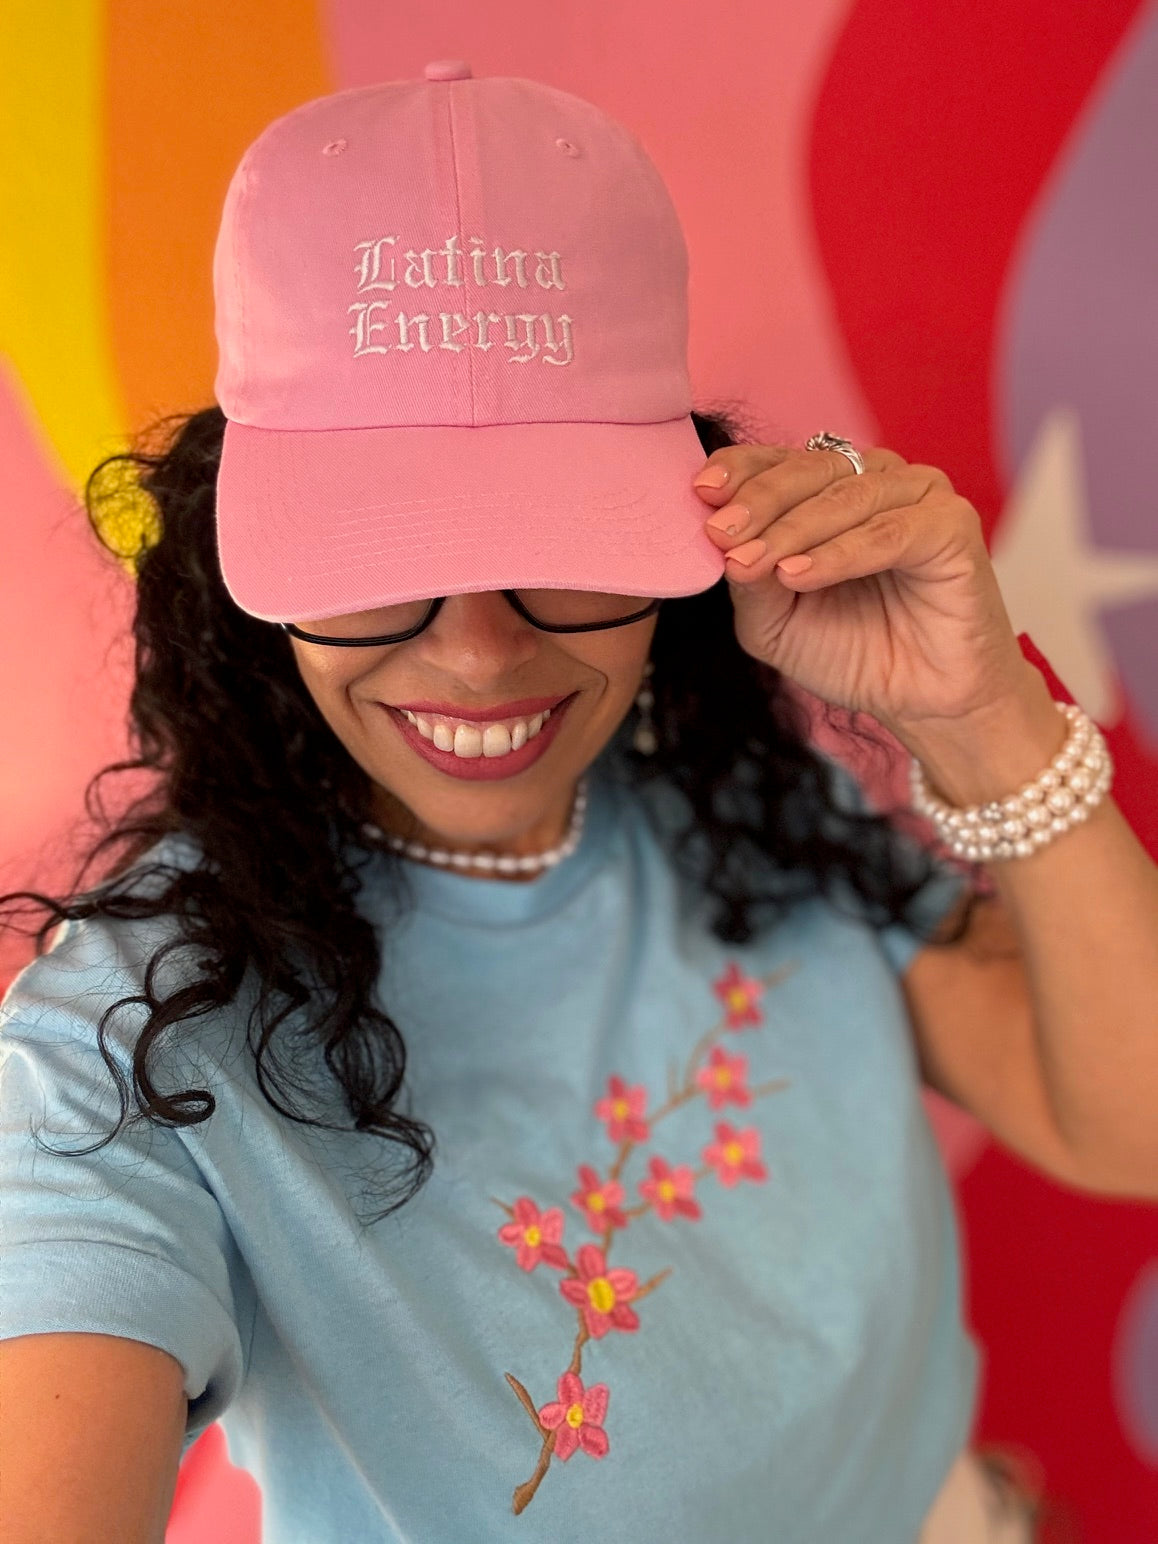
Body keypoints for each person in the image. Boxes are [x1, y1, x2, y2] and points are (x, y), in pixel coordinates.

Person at [2, 62, 1155, 1544]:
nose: (478, 655)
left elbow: (1122, 1126)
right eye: (381, 552)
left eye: (558, 545)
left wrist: (984, 720)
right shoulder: (132, 1038)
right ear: (238, 556)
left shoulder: (744, 807)